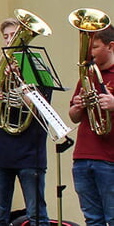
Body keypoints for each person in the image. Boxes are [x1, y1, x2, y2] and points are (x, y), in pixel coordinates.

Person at [0, 18, 50, 226]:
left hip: (30, 153)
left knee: (36, 215)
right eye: (6, 37)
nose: (9, 41)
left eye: (14, 36)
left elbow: (41, 109)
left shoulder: (38, 70)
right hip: (0, 152)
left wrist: (20, 84)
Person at [68, 26, 114, 225]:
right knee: (92, 220)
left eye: (94, 47)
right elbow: (73, 117)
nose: (89, 52)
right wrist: (78, 106)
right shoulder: (87, 75)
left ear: (110, 46)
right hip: (82, 157)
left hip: (109, 159)